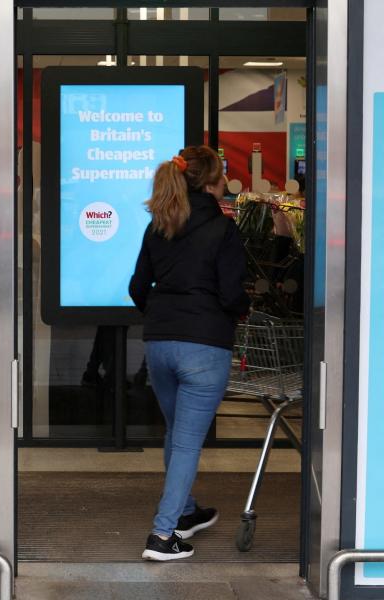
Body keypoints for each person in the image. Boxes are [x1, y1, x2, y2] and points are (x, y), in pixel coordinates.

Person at [129, 145, 250, 561]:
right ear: (214, 183)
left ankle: (186, 511)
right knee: (186, 444)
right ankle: (163, 536)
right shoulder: (223, 228)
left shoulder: (158, 226)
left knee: (176, 433)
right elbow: (232, 293)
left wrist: (166, 317)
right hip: (204, 344)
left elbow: (137, 288)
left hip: (160, 341)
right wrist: (236, 313)